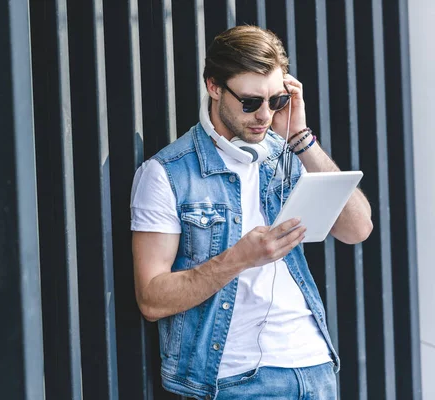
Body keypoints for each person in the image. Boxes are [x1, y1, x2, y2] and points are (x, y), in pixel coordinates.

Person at [130, 25, 373, 400]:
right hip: (236, 380)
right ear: (213, 86)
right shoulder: (168, 174)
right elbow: (151, 299)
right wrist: (239, 259)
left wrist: (300, 136)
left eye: (275, 101)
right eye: (249, 102)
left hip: (315, 368)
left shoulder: (283, 155)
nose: (263, 115)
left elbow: (358, 228)